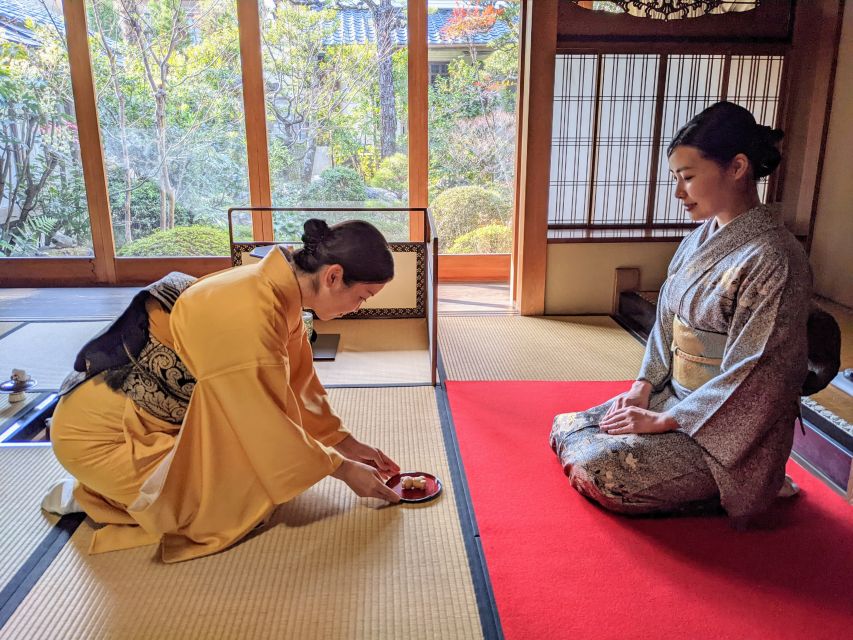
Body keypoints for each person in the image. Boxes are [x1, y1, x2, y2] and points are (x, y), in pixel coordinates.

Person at [45, 219, 402, 562]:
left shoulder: (277, 290)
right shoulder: (251, 310)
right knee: (237, 504)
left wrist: (344, 443)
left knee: (260, 476)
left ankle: (124, 488)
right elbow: (262, 423)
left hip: (155, 423)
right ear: (333, 276)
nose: (358, 308)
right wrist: (343, 470)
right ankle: (95, 495)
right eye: (363, 297)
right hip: (101, 436)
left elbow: (298, 385)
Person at [550, 101, 814, 526]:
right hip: (673, 397)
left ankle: (749, 485)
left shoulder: (774, 257)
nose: (678, 193)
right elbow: (667, 326)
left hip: (726, 431)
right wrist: (642, 387)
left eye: (688, 178)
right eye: (676, 178)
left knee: (602, 469)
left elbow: (759, 371)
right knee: (569, 427)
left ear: (738, 167)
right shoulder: (699, 240)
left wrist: (665, 419)